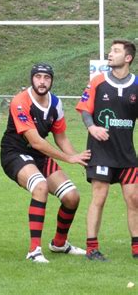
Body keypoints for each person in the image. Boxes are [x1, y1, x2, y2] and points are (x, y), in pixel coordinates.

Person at [0, 63, 90, 263]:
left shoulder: (56, 103)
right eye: (38, 77)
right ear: (32, 79)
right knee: (40, 186)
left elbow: (61, 137)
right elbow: (35, 141)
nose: (42, 81)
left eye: (46, 77)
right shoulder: (20, 101)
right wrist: (68, 158)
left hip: (39, 156)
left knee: (72, 197)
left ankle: (59, 244)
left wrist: (77, 157)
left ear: (52, 80)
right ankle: (34, 251)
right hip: (15, 153)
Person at [76, 39, 138, 261]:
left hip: (127, 155)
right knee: (99, 198)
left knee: (134, 199)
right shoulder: (97, 82)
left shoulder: (137, 85)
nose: (110, 54)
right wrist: (92, 127)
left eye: (116, 51)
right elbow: (84, 109)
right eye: (110, 51)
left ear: (128, 58)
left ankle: (136, 247)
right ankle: (92, 248)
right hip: (101, 152)